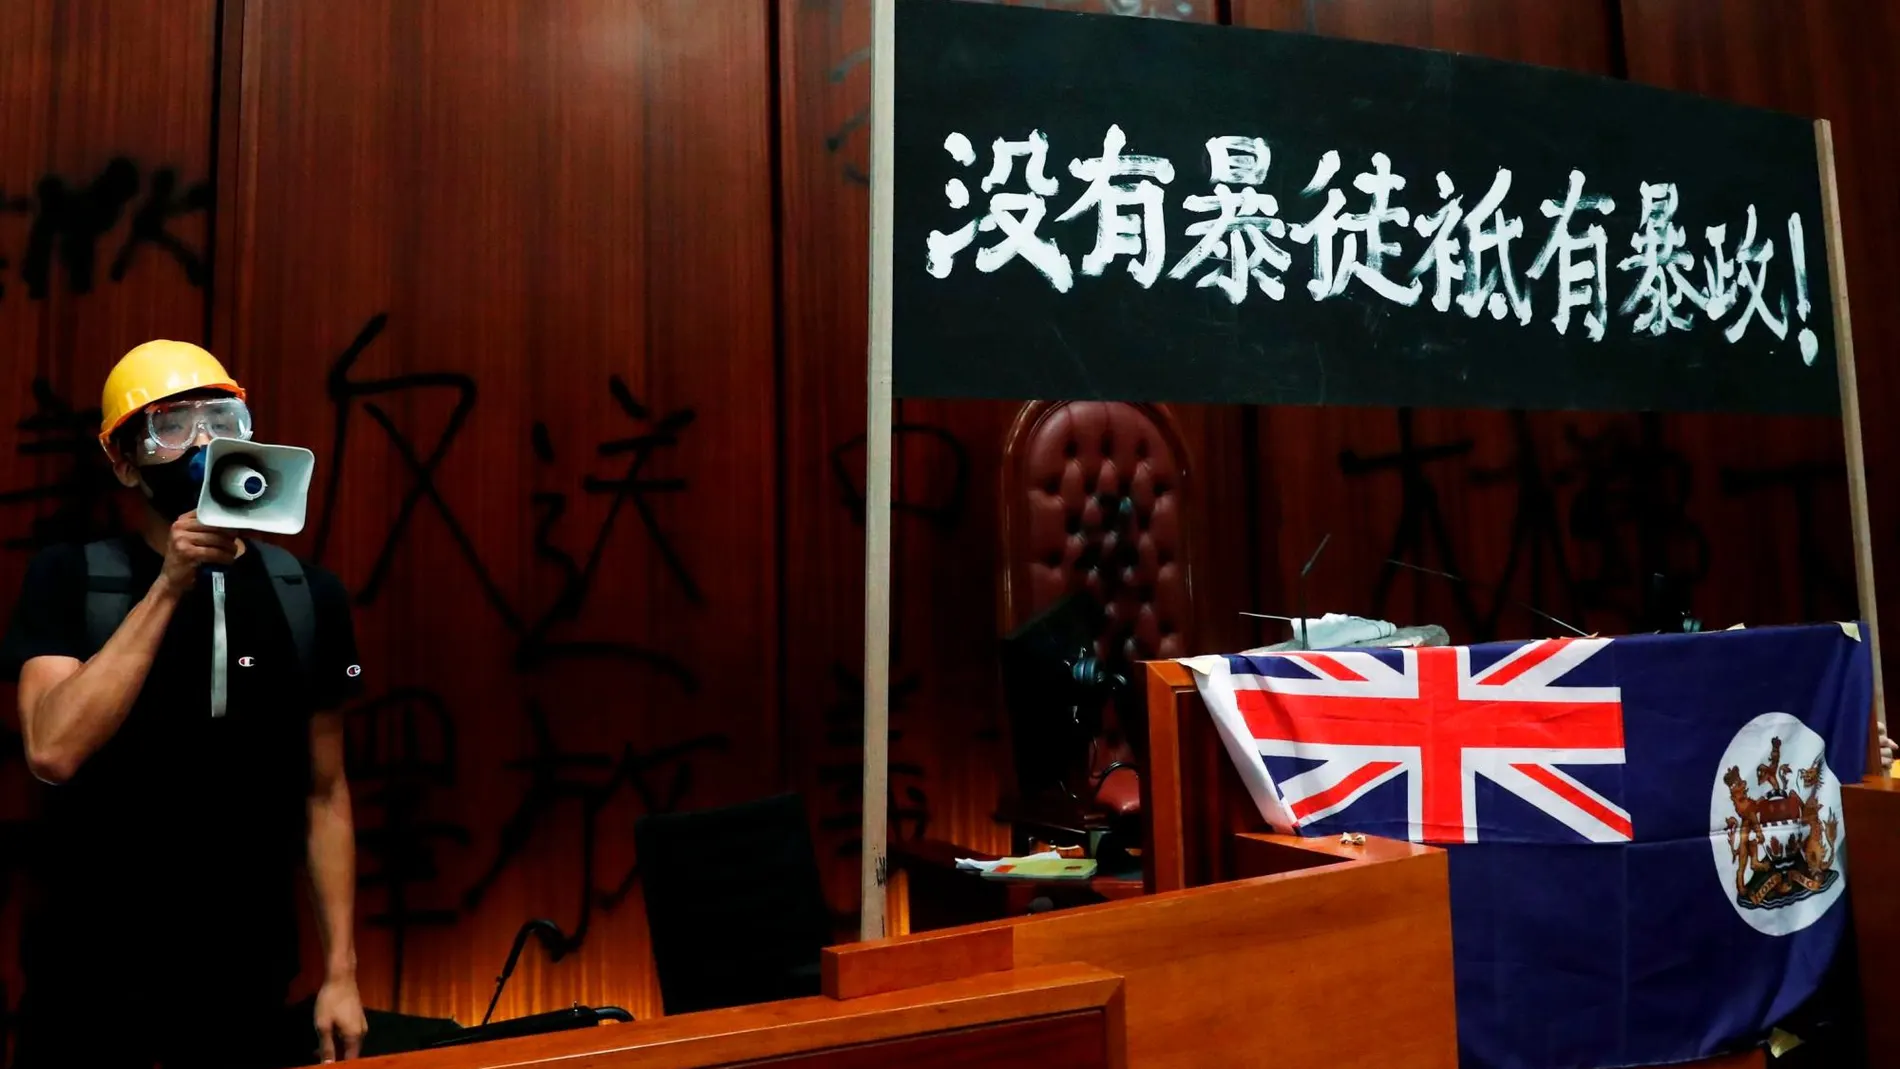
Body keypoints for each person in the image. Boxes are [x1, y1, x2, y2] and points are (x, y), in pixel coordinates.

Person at [3, 341, 369, 1067]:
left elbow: (325, 794)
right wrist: (170, 583)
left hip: (247, 978)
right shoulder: (71, 577)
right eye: (172, 426)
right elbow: (52, 749)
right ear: (125, 461)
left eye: (221, 417)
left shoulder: (308, 595)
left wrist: (342, 973)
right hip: (87, 980)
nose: (203, 440)